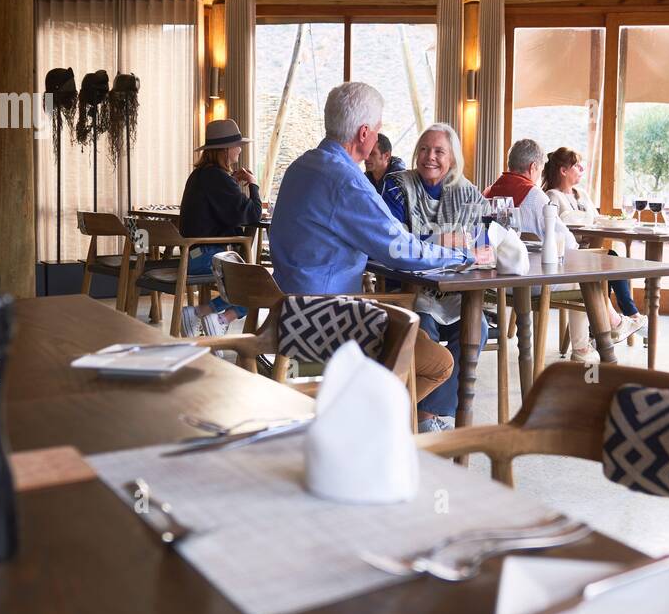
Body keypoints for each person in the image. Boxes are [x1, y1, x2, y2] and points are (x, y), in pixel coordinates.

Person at [269, 83, 465, 413]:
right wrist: (460, 256)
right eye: (377, 129)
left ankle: (377, 419)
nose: (377, 135)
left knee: (417, 337)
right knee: (438, 361)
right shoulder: (345, 179)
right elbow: (399, 251)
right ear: (363, 134)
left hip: (287, 311)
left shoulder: (302, 166)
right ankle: (370, 422)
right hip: (325, 319)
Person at [380, 124, 489, 429]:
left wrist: (479, 247)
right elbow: (395, 244)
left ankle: (424, 414)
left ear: (452, 158)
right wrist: (444, 240)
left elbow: (484, 241)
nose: (430, 157)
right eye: (424, 149)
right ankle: (411, 413)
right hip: (407, 289)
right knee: (421, 327)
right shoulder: (396, 186)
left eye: (439, 151)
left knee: (476, 326)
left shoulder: (467, 193)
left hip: (452, 291)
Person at [542, 146, 645, 355]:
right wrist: (589, 219)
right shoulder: (552, 196)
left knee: (611, 258)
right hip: (570, 255)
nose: (581, 170)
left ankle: (607, 327)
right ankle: (620, 321)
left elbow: (594, 218)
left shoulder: (582, 194)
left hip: (590, 251)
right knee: (606, 262)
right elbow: (565, 221)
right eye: (577, 166)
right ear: (563, 170)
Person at [177, 119, 262, 336]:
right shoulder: (216, 177)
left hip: (192, 255)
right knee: (256, 281)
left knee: (250, 278)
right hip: (206, 256)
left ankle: (200, 313)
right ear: (225, 150)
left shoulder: (200, 175)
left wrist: (231, 182)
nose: (240, 149)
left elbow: (225, 211)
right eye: (237, 145)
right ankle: (222, 318)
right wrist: (253, 184)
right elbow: (252, 213)